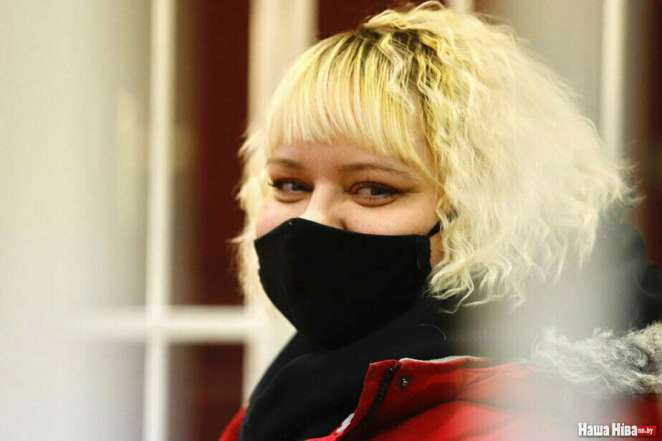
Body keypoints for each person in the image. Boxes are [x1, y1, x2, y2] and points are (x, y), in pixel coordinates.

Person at [220, 2, 662, 440]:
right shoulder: (305, 386)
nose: (315, 219)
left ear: (489, 209)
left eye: (374, 189)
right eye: (290, 184)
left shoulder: (558, 420)